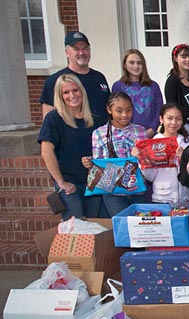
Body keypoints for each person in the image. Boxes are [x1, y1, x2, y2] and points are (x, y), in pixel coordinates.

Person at [38, 74, 103, 220]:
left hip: (94, 184)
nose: (72, 95)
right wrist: (61, 182)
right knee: (77, 231)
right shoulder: (53, 119)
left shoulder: (95, 118)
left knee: (96, 228)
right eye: (66, 92)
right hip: (70, 185)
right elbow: (46, 152)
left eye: (75, 90)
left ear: (82, 91)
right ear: (59, 96)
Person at [91, 92, 147, 216]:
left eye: (129, 110)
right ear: (109, 110)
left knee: (140, 228)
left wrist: (139, 157)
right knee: (121, 227)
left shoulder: (140, 131)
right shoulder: (99, 134)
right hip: (113, 193)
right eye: (119, 111)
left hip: (138, 190)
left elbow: (148, 162)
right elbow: (98, 165)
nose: (125, 115)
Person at [40, 31, 110, 125]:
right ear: (67, 53)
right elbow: (47, 119)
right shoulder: (55, 80)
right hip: (70, 138)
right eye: (76, 49)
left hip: (100, 137)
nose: (81, 53)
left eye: (85, 48)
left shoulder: (99, 77)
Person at [136, 103, 189, 205]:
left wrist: (183, 159)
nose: (174, 122)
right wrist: (143, 160)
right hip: (162, 198)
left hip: (186, 198)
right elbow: (150, 177)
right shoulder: (154, 142)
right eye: (169, 118)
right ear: (161, 119)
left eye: (178, 119)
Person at [112, 49, 163, 138]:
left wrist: (152, 129)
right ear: (124, 65)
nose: (136, 66)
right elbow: (116, 111)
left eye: (139, 63)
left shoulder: (153, 86)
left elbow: (159, 109)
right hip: (126, 135)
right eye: (131, 62)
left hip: (150, 134)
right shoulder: (118, 86)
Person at [164, 44, 189, 136]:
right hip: (184, 130)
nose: (188, 60)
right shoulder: (172, 81)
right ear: (175, 59)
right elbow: (172, 109)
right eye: (183, 56)